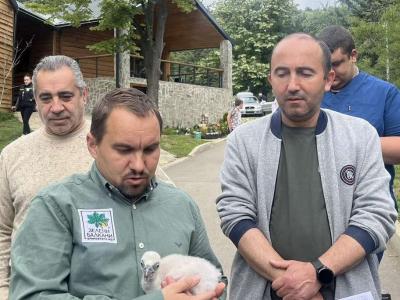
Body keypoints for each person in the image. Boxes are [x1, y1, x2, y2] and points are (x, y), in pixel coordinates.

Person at [216, 33, 397, 300]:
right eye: (282, 73)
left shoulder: (361, 136)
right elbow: (234, 214)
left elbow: (377, 214)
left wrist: (318, 272)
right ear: (270, 80)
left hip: (345, 290)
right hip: (266, 291)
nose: (292, 85)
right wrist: (291, 282)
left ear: (328, 80)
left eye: (305, 73)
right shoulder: (242, 143)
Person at [10, 88, 226, 300]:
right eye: (124, 150)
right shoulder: (56, 207)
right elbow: (32, 295)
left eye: (150, 149)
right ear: (93, 145)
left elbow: (215, 279)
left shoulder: (182, 206)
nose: (139, 165)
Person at [0, 55, 94, 299]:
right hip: (28, 291)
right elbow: (2, 231)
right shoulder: (12, 155)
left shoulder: (114, 144)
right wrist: (3, 290)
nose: (56, 107)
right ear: (36, 100)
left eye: (65, 96)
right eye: (46, 98)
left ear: (84, 95)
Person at [318, 25, 400, 211]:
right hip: (321, 213)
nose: (330, 73)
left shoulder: (384, 93)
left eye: (336, 64)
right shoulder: (311, 94)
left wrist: (345, 143)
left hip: (373, 208)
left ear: (353, 55)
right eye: (325, 66)